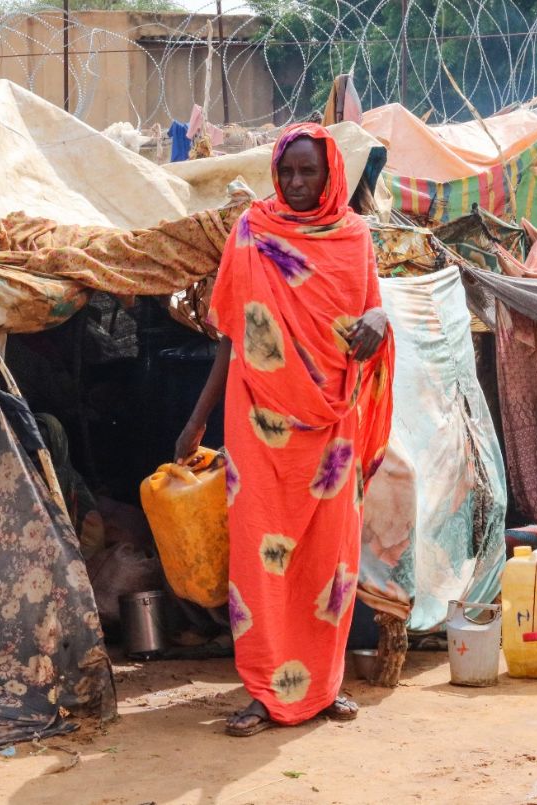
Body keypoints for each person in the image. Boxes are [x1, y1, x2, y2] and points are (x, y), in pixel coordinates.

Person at [175, 123, 396, 737]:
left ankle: (321, 689)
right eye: (288, 172)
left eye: (309, 172)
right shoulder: (253, 231)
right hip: (259, 423)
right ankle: (266, 692)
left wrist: (378, 318)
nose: (297, 184)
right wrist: (195, 423)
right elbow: (231, 335)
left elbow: (373, 313)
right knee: (258, 561)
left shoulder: (353, 238)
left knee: (329, 562)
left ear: (331, 175)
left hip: (333, 424)